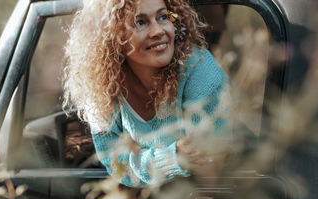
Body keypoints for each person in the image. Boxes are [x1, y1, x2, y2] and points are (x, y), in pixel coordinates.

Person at [63, 0, 231, 187]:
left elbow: (210, 161)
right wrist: (172, 158)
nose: (158, 31)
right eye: (140, 22)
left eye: (163, 17)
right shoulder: (101, 88)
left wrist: (148, 162)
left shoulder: (198, 68)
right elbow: (116, 163)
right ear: (112, 35)